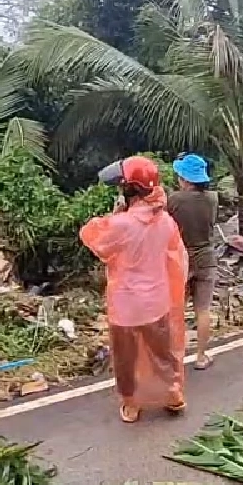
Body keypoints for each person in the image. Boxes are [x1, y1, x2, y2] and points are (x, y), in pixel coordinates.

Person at [82, 156, 189, 423]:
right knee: (162, 353)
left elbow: (98, 243)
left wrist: (115, 215)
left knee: (126, 359)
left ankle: (131, 404)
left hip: (126, 305)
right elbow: (175, 255)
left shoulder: (122, 224)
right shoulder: (165, 220)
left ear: (127, 189)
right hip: (158, 300)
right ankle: (173, 394)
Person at [167, 154, 218, 370]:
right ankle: (201, 356)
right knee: (203, 309)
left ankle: (173, 359)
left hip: (181, 258)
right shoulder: (213, 198)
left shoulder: (174, 200)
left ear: (185, 179)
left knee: (176, 310)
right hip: (206, 257)